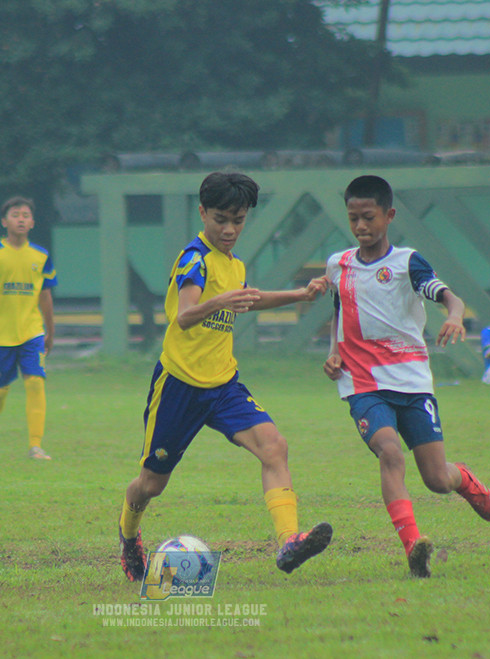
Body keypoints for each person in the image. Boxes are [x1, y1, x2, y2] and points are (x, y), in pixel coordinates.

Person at [117, 172, 333, 582]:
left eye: (238, 220)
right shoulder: (193, 259)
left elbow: (247, 300)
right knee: (150, 485)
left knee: (274, 446)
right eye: (221, 219)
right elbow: (184, 315)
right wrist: (220, 300)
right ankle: (128, 536)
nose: (230, 229)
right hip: (179, 386)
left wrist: (299, 295)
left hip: (223, 385)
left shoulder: (234, 265)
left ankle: (289, 542)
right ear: (202, 213)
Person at [322, 175, 490, 579]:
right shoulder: (339, 264)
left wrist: (454, 315)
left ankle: (464, 478)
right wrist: (334, 354)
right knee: (390, 452)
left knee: (437, 479)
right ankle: (414, 546)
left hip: (413, 382)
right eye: (353, 219)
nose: (361, 227)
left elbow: (446, 295)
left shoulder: (407, 262)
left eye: (369, 217)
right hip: (363, 384)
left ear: (389, 215)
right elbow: (339, 311)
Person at [0, 196, 57, 461]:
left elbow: (45, 296)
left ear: (32, 222)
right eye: (16, 214)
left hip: (31, 333)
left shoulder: (41, 256)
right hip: (0, 336)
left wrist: (50, 331)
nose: (21, 219)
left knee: (35, 383)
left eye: (26, 215)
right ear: (4, 221)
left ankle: (35, 446)